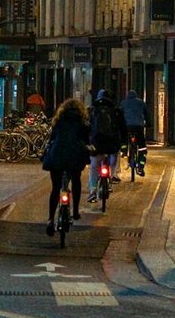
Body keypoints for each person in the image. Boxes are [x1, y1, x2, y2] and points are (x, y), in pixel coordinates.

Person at [42, 98, 92, 233]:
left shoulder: (58, 121)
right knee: (76, 181)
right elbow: (86, 141)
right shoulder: (82, 122)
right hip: (74, 157)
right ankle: (75, 211)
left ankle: (50, 219)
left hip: (56, 156)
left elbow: (52, 140)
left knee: (55, 188)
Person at [89, 89, 124, 202]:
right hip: (112, 143)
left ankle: (92, 191)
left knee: (94, 166)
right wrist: (123, 143)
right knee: (113, 158)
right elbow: (122, 128)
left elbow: (87, 127)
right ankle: (111, 178)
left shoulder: (92, 110)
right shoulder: (116, 110)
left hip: (97, 144)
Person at [120, 89, 148, 178]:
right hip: (139, 127)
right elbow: (147, 114)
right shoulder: (141, 103)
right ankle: (140, 166)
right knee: (142, 147)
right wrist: (148, 123)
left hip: (127, 126)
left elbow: (120, 115)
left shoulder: (123, 103)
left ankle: (124, 150)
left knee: (124, 137)